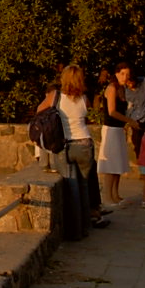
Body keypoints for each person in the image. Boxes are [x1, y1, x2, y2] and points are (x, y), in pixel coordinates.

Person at [36, 64, 107, 234]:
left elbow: (39, 111)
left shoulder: (55, 96)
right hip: (85, 144)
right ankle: (86, 224)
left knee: (71, 187)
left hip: (65, 145)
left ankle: (75, 230)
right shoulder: (84, 98)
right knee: (84, 187)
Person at [97, 66, 140, 208]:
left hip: (119, 129)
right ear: (116, 74)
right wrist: (129, 121)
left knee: (117, 165)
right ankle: (107, 197)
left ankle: (115, 195)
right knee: (111, 166)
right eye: (122, 74)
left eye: (127, 74)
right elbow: (112, 111)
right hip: (111, 129)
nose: (125, 77)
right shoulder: (112, 88)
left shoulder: (122, 89)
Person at [119, 62, 145, 157]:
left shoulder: (144, 82)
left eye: (131, 82)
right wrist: (127, 120)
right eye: (128, 83)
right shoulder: (125, 89)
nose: (130, 85)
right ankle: (139, 157)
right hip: (135, 116)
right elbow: (129, 105)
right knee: (136, 138)